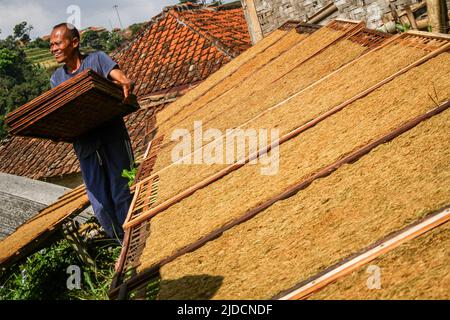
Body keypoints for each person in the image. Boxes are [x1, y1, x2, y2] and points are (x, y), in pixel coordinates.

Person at [49, 22, 134, 241]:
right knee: (101, 206)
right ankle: (122, 244)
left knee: (121, 193)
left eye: (58, 43)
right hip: (85, 146)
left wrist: (123, 83)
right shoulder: (56, 79)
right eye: (51, 45)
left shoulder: (96, 60)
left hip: (112, 138)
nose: (53, 48)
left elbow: (121, 78)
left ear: (75, 42)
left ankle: (137, 240)